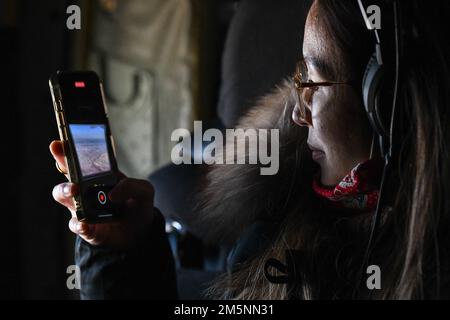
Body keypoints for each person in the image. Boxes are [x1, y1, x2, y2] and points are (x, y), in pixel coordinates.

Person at [50, 0, 450, 299]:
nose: (299, 114)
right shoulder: (272, 235)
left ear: (383, 104)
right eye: (302, 80)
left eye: (316, 81)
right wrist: (122, 254)